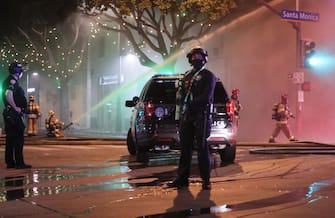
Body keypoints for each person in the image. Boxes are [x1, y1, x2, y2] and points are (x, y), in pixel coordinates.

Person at [169, 47, 216, 190]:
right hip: (187, 115)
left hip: (201, 114)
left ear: (204, 58)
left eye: (199, 56)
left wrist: (191, 104)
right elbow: (181, 94)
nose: (196, 59)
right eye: (193, 57)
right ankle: (182, 178)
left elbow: (206, 96)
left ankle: (206, 180)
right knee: (185, 148)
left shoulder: (209, 76)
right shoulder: (187, 76)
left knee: (202, 148)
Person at [2, 62, 31, 169]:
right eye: (21, 69)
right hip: (13, 114)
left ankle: (10, 162)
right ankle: (19, 163)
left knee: (10, 139)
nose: (22, 71)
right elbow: (8, 94)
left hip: (10, 113)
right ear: (17, 71)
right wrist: (16, 108)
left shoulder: (9, 80)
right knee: (18, 139)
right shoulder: (12, 81)